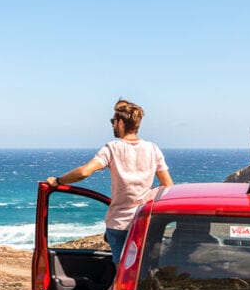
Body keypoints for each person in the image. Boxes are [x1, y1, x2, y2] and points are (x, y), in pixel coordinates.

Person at [46, 98, 173, 262]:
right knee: (141, 269)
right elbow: (168, 185)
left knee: (121, 271)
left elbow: (84, 171)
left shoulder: (112, 148)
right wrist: (146, 198)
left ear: (120, 123)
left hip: (119, 223)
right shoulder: (152, 148)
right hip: (143, 221)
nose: (112, 125)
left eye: (113, 121)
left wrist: (57, 181)